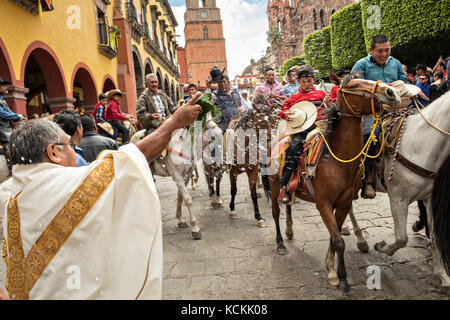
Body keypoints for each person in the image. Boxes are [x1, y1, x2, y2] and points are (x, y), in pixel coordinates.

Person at [0, 93, 202, 300]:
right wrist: (174, 123)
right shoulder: (71, 184)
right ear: (53, 153)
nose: (73, 151)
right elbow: (129, 162)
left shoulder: (8, 196)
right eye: (69, 145)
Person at [351, 34, 407, 198]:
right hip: (372, 112)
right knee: (370, 135)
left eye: (387, 50)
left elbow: (403, 81)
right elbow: (354, 89)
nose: (384, 54)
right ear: (371, 50)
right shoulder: (361, 65)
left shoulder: (395, 63)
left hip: (396, 109)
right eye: (380, 51)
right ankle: (367, 180)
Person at [278, 66, 329, 204]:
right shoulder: (294, 97)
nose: (307, 84)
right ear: (298, 81)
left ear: (314, 80)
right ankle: (285, 188)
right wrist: (285, 114)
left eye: (309, 81)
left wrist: (329, 110)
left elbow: (330, 108)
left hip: (322, 127)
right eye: (303, 81)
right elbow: (283, 110)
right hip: (302, 129)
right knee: (292, 150)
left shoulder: (321, 95)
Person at [0, 77, 26, 182]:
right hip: (1, 127)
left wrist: (17, 116)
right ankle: (12, 169)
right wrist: (15, 115)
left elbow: (9, 111)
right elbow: (1, 113)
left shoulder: (2, 100)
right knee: (10, 143)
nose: (6, 87)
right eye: (3, 85)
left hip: (6, 126)